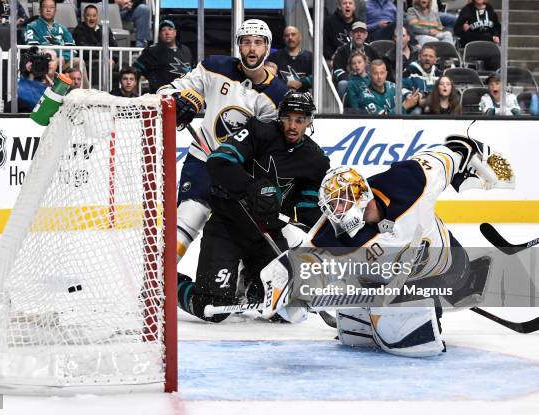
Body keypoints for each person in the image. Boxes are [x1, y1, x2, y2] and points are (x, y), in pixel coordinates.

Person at [260, 135, 515, 357]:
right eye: (331, 207)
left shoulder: (409, 182)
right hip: (391, 279)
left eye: (340, 203)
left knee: (404, 337)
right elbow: (303, 263)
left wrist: (474, 155)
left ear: (359, 194)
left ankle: (426, 316)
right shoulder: (333, 231)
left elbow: (448, 154)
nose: (335, 213)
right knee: (358, 323)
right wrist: (292, 297)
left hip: (446, 268)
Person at [177, 92, 330, 323]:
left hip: (267, 235)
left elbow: (306, 209)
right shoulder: (259, 131)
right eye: (288, 118)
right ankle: (167, 284)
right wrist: (252, 187)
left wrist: (326, 228)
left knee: (279, 309)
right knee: (211, 306)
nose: (292, 126)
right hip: (227, 228)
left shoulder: (316, 160)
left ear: (309, 122)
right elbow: (218, 161)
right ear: (279, 117)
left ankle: (248, 280)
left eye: (300, 120)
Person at [158, 19, 288, 264]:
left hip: (240, 175)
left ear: (267, 47)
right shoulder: (215, 67)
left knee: (242, 240)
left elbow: (271, 146)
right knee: (187, 220)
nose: (252, 48)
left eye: (258, 43)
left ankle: (243, 284)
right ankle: (160, 280)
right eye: (246, 42)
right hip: (203, 163)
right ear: (238, 45)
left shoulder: (277, 96)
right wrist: (178, 101)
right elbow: (165, 92)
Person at [133, 19, 193, 94]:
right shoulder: (152, 51)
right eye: (163, 30)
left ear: (175, 32)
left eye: (170, 29)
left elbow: (193, 73)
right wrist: (134, 94)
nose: (167, 33)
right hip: (160, 97)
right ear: (160, 34)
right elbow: (135, 71)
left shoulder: (186, 50)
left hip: (184, 96)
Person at [353, 59, 421, 114]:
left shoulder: (392, 86)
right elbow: (383, 120)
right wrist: (405, 106)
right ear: (370, 75)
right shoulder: (365, 96)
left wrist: (414, 96)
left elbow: (407, 93)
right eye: (375, 73)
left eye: (382, 73)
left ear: (386, 74)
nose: (379, 77)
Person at [332, 21, 378, 97]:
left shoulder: (371, 50)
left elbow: (379, 66)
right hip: (350, 81)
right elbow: (337, 71)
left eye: (362, 32)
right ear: (351, 34)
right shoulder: (342, 50)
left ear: (366, 35)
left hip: (368, 81)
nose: (359, 34)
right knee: (342, 84)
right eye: (356, 31)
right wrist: (353, 79)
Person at [267, 26, 313, 92]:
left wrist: (302, 82)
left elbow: (317, 78)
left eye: (293, 34)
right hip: (280, 97)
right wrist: (286, 83)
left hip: (303, 99)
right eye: (286, 35)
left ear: (300, 37)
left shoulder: (310, 57)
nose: (290, 37)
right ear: (283, 38)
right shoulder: (274, 57)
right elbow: (268, 77)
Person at [402, 44, 442, 112]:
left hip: (433, 105)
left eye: (431, 56)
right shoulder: (410, 70)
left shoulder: (439, 74)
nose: (427, 58)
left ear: (435, 60)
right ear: (419, 57)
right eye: (425, 55)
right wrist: (415, 97)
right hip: (414, 107)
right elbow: (401, 87)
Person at [17, 47, 58, 112]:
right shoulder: (24, 85)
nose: (48, 63)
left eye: (51, 60)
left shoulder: (60, 82)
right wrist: (30, 74)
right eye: (45, 61)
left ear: (57, 62)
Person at [323, 0, 360, 66]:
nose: (347, 5)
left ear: (354, 7)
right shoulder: (329, 22)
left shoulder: (359, 24)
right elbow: (325, 46)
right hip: (335, 61)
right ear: (339, 6)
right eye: (345, 3)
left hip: (356, 62)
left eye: (350, 3)